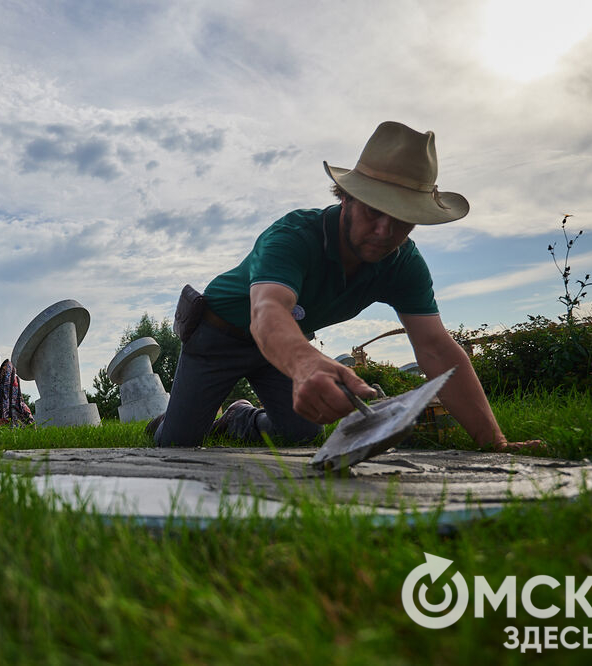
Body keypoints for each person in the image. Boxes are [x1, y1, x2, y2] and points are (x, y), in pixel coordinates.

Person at [150, 121, 541, 453]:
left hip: (285, 345)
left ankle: (239, 417)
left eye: (403, 220)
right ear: (346, 197)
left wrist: (494, 441)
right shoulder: (293, 235)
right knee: (178, 444)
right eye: (374, 212)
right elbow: (267, 312)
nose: (385, 232)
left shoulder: (404, 263)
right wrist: (305, 365)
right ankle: (170, 422)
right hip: (219, 336)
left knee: (302, 433)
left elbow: (436, 347)